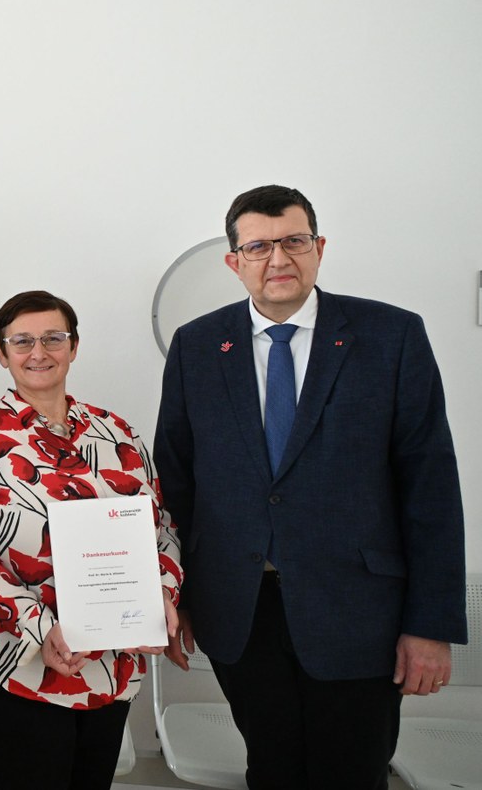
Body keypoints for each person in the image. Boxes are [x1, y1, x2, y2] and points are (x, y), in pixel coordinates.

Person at [154, 184, 468, 789]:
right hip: (240, 611)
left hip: (359, 611)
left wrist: (430, 623)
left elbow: (430, 486)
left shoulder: (391, 337)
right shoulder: (197, 346)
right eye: (259, 247)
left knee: (350, 772)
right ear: (234, 261)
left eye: (294, 241)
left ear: (319, 247)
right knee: (271, 767)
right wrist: (182, 594)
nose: (278, 259)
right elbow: (179, 481)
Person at [0, 290, 181, 790]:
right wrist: (41, 627)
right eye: (22, 341)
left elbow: (162, 527)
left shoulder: (116, 431)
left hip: (108, 669)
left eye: (53, 338)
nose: (39, 352)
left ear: (74, 346)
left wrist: (163, 594)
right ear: (1, 353)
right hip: (10, 666)